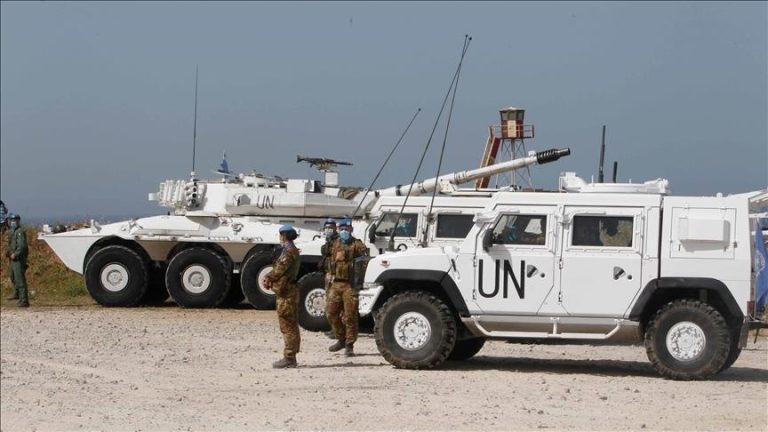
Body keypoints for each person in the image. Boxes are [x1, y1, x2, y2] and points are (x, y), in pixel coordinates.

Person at [326, 218, 368, 357]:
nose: (344, 231)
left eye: (347, 228)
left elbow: (364, 262)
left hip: (350, 285)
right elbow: (331, 260)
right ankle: (341, 338)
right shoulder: (335, 243)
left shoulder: (357, 245)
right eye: (342, 229)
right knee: (331, 313)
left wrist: (360, 280)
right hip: (336, 283)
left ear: (351, 229)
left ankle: (349, 345)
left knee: (350, 316)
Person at [264, 225, 302, 368]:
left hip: (286, 294)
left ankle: (289, 358)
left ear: (284, 235)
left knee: (287, 325)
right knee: (291, 324)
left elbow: (278, 270)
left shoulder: (288, 253)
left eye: (281, 235)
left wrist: (268, 277)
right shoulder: (292, 251)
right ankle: (292, 355)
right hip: (289, 291)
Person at [5, 213, 29, 307]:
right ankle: (16, 293)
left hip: (18, 259)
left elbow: (22, 245)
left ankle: (24, 300)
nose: (12, 222)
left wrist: (16, 253)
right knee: (12, 276)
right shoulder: (12, 231)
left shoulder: (20, 232)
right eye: (11, 220)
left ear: (18, 221)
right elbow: (11, 244)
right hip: (12, 258)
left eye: (14, 220)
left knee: (20, 279)